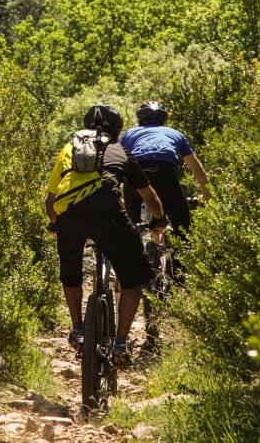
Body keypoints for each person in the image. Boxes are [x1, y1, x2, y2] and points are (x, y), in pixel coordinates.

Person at [45, 104, 165, 367]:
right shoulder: (121, 151)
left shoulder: (68, 149)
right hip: (108, 213)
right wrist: (158, 219)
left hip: (69, 215)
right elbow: (150, 197)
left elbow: (51, 200)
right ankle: (121, 344)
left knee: (71, 271)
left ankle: (77, 328)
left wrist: (57, 223)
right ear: (118, 130)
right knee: (133, 279)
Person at [122, 101, 211, 236]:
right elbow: (196, 169)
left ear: (140, 120)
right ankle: (180, 250)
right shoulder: (175, 133)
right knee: (183, 227)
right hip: (164, 170)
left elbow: (118, 163)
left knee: (131, 228)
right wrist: (208, 196)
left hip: (136, 170)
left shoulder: (130, 133)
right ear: (163, 120)